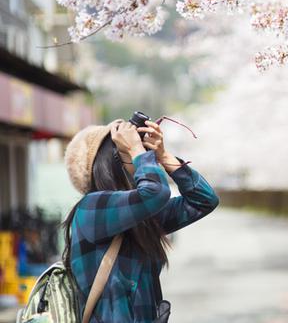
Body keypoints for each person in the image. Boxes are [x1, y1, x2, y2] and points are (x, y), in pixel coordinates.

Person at [61, 119, 219, 322]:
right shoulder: (91, 208)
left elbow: (204, 200)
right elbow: (155, 193)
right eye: (126, 150)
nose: (141, 158)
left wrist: (163, 155)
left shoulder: (138, 217)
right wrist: (137, 149)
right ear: (110, 162)